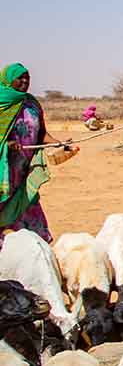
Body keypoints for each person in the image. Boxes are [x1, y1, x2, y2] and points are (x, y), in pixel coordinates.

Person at [1, 64, 72, 243]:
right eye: (20, 77)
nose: (25, 81)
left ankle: (34, 248)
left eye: (28, 77)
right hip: (4, 172)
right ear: (9, 80)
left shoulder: (32, 103)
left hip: (25, 171)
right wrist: (7, 144)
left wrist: (59, 143)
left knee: (28, 205)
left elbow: (41, 134)